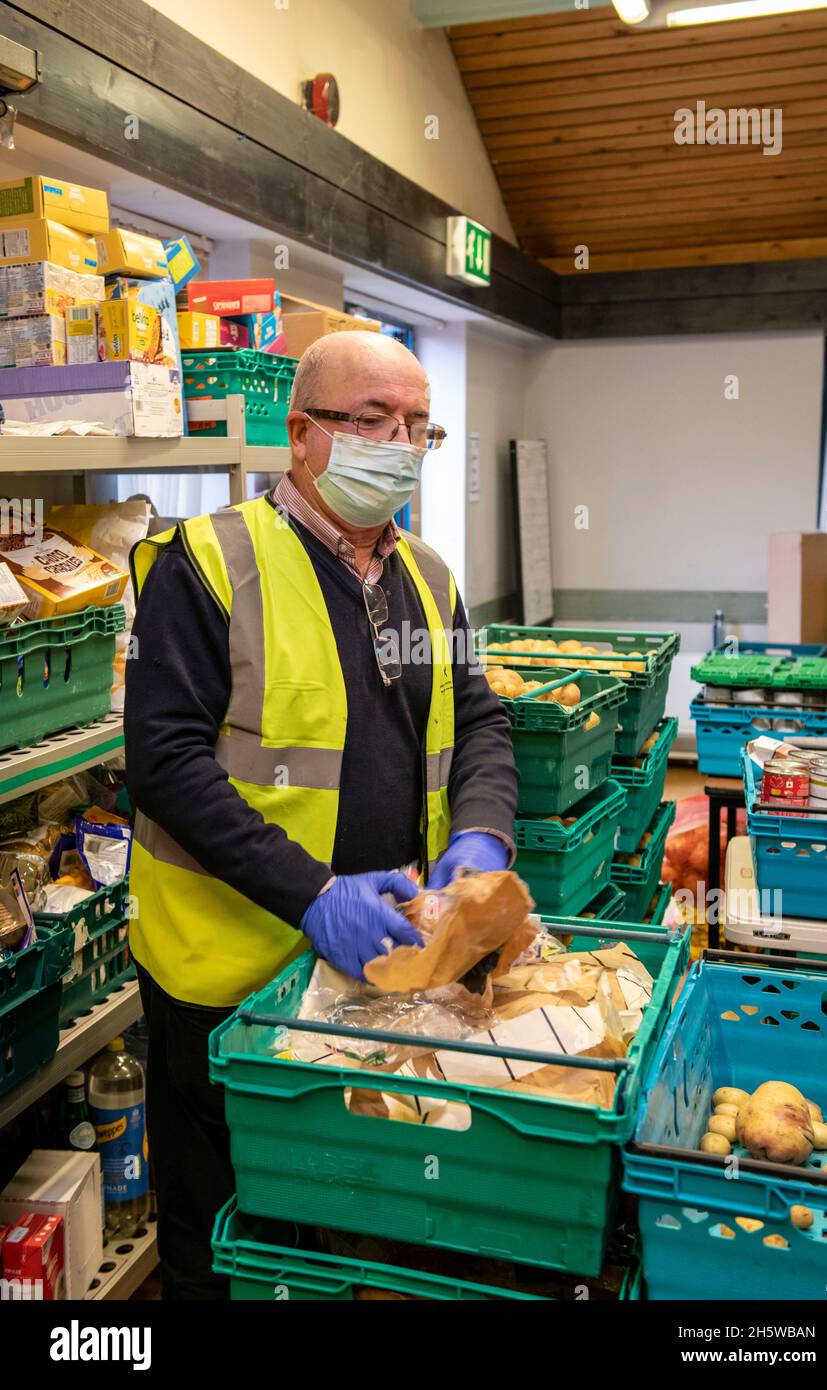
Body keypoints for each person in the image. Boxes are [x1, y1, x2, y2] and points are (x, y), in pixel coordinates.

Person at [124, 330, 518, 1299]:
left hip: (383, 980)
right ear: (300, 436)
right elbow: (164, 764)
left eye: (417, 425)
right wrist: (310, 895)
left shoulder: (427, 579)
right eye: (372, 418)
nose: (399, 440)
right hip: (230, 997)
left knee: (349, 1239)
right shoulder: (206, 567)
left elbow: (477, 721)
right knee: (225, 1247)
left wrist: (480, 829)